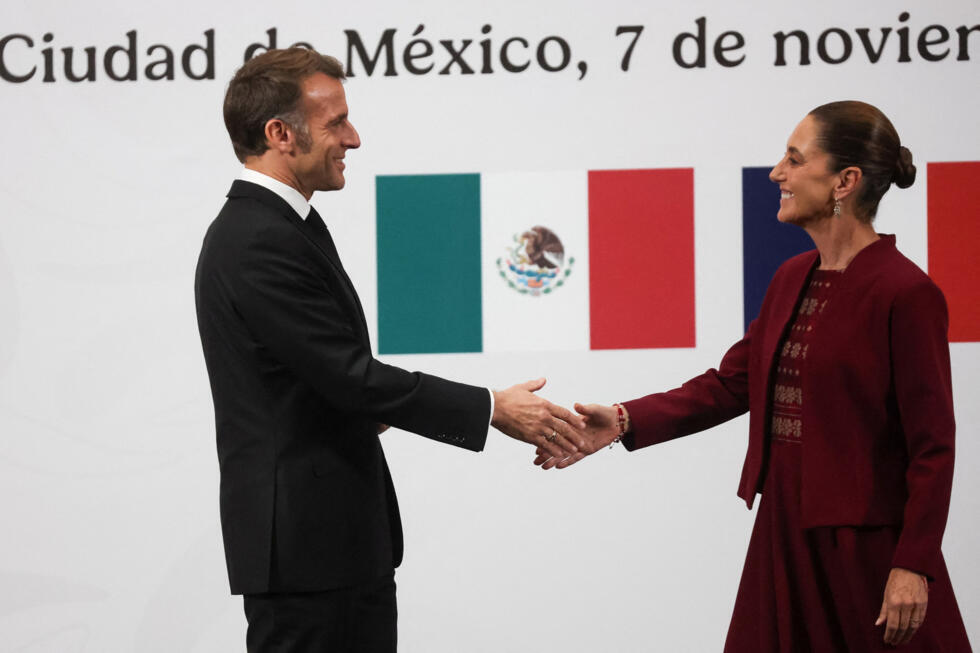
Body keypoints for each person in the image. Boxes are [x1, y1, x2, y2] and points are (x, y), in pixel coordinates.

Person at [538, 101, 972, 651]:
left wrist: (914, 564)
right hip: (784, 533)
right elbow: (731, 383)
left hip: (864, 549)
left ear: (846, 181)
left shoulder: (906, 293)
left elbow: (933, 446)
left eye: (794, 159)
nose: (777, 173)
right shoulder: (792, 276)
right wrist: (624, 420)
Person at [194, 47, 585, 652]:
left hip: (332, 546)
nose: (354, 138)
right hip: (308, 555)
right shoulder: (256, 238)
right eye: (336, 123)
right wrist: (491, 409)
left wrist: (364, 403)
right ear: (279, 134)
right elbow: (348, 375)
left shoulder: (284, 225)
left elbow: (317, 375)